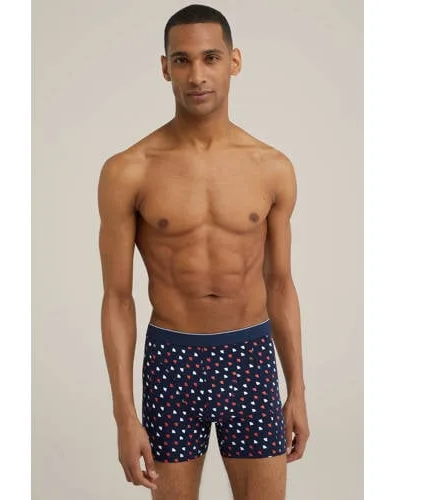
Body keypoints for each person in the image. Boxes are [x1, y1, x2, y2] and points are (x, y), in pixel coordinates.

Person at [97, 4, 310, 499]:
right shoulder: (128, 170)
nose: (197, 75)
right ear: (165, 67)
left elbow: (280, 284)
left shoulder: (272, 167)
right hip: (172, 361)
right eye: (182, 60)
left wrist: (297, 389)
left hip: (250, 358)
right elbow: (117, 299)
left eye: (210, 58)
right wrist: (124, 416)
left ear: (234, 61)